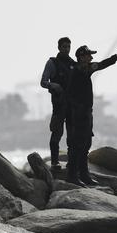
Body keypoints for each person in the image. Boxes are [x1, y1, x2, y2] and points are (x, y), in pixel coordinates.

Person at [65, 45, 117, 186]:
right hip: (78, 114)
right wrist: (77, 110)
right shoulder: (76, 71)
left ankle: (84, 175)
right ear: (82, 56)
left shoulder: (86, 69)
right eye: (89, 55)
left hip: (86, 113)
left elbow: (102, 64)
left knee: (86, 144)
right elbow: (70, 94)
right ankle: (72, 176)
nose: (91, 57)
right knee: (77, 145)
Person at [40, 37, 75, 171]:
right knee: (56, 133)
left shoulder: (73, 63)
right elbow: (43, 82)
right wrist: (53, 85)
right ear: (59, 48)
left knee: (72, 134)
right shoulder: (52, 63)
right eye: (64, 47)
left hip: (72, 105)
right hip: (59, 104)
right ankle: (54, 162)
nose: (66, 49)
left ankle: (72, 162)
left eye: (68, 47)